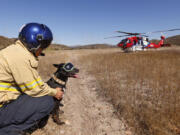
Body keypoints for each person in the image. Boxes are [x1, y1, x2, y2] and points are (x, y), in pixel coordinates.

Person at [0, 23, 64, 135]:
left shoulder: (15, 51)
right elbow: (34, 88)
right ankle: (6, 131)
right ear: (34, 43)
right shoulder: (20, 57)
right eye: (43, 46)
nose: (42, 50)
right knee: (46, 102)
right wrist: (54, 92)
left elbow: (32, 82)